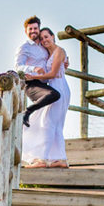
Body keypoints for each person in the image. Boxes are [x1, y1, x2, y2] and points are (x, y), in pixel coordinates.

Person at [29, 27, 70, 167]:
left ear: (53, 36)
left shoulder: (59, 51)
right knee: (55, 123)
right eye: (41, 38)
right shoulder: (49, 53)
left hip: (59, 87)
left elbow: (53, 74)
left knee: (48, 122)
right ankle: (60, 159)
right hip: (55, 86)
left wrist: (32, 76)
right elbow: (60, 69)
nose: (44, 40)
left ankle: (42, 159)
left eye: (46, 37)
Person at [13, 16, 60, 129]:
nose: (33, 31)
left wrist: (64, 61)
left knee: (47, 116)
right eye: (30, 29)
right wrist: (33, 68)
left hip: (44, 83)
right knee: (54, 95)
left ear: (39, 29)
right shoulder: (24, 48)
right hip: (31, 84)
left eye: (35, 28)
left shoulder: (43, 45)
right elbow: (18, 66)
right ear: (26, 31)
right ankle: (27, 112)